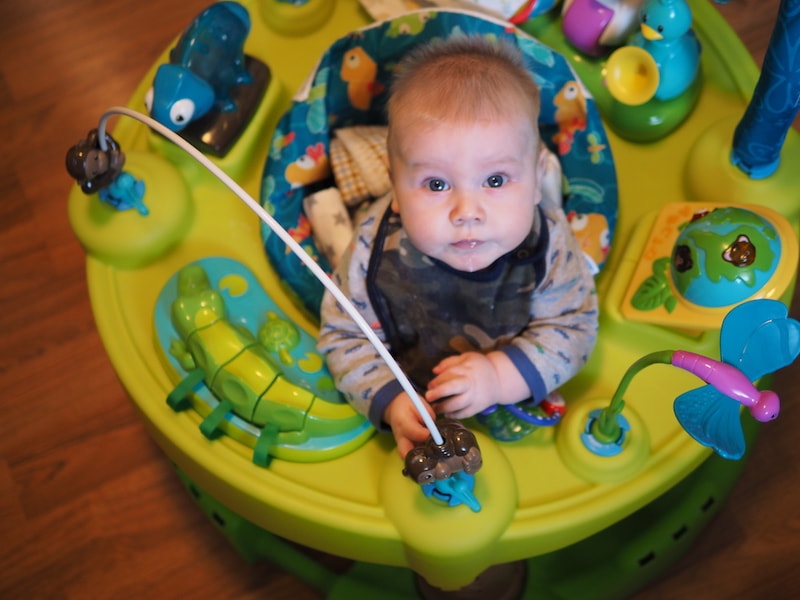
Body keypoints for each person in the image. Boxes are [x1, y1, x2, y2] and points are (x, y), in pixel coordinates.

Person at [317, 35, 598, 457]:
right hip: (415, 405)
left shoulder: (550, 246)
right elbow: (343, 335)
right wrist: (391, 400)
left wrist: (501, 377)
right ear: (395, 187)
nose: (467, 211)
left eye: (496, 180)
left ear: (538, 178)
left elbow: (574, 326)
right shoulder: (373, 251)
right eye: (436, 184)